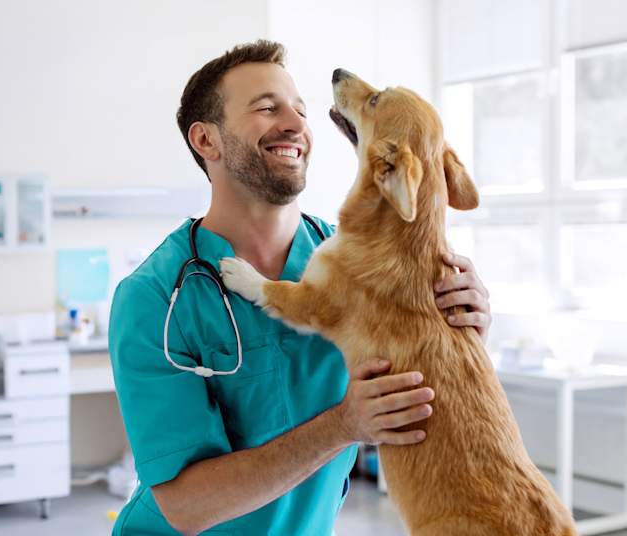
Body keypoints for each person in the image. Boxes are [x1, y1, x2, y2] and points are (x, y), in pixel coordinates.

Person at [108, 39, 492, 535]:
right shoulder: (154, 297)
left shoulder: (364, 267)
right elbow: (185, 505)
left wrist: (463, 331)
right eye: (267, 108)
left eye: (301, 110)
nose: (296, 124)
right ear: (207, 141)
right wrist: (342, 426)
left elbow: (421, 402)